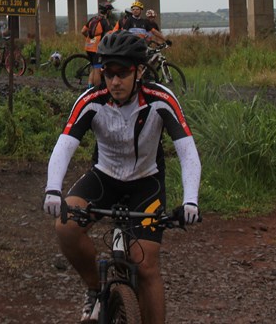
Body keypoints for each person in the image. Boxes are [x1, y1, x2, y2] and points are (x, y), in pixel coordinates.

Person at [43, 31, 201, 323]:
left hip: (146, 183)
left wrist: (190, 200)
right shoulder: (92, 100)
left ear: (138, 71)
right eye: (108, 72)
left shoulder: (160, 100)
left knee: (146, 265)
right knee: (65, 227)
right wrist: (53, 189)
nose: (114, 81)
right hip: (105, 178)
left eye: (123, 73)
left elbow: (187, 150)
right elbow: (65, 144)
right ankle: (94, 288)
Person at [81, 2, 113, 88]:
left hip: (88, 47)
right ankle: (98, 90)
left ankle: (90, 87)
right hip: (97, 49)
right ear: (107, 11)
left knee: (94, 67)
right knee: (97, 70)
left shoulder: (92, 19)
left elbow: (83, 31)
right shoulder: (105, 22)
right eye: (110, 11)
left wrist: (90, 39)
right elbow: (109, 36)